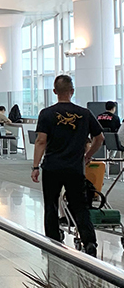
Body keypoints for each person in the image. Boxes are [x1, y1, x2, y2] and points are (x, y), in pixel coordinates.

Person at [32, 74, 103, 257]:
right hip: (75, 168)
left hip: (52, 167)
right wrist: (88, 155)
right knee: (80, 206)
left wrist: (35, 166)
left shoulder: (46, 113)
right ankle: (89, 242)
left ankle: (53, 241)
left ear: (54, 91)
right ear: (72, 91)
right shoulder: (85, 114)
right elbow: (99, 138)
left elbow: (41, 141)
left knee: (51, 204)